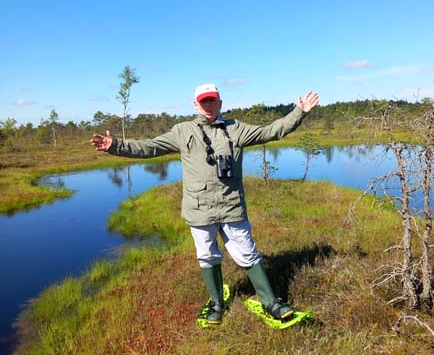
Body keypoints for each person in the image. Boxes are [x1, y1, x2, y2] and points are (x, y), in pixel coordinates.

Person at [91, 85, 319, 325]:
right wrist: (116, 146)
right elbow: (150, 147)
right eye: (203, 101)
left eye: (212, 101)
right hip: (199, 210)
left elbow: (272, 131)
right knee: (207, 256)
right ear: (195, 104)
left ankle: (271, 302)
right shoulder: (183, 131)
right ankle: (217, 303)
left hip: (231, 206)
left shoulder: (236, 129)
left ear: (220, 103)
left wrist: (299, 112)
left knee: (247, 253)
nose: (208, 105)